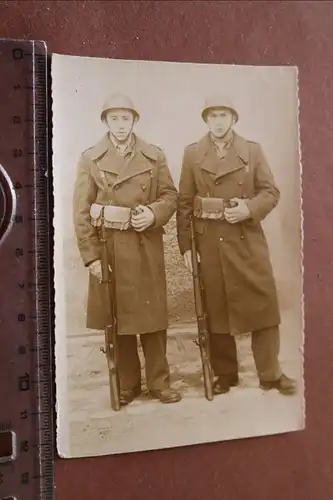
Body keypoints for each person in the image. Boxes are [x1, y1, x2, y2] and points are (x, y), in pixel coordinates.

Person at [176, 93, 296, 396]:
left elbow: (270, 192)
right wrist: (186, 248)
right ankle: (226, 375)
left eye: (223, 115)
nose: (218, 122)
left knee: (263, 304)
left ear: (233, 119)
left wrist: (249, 209)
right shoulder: (192, 154)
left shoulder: (252, 152)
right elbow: (184, 203)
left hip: (247, 240)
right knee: (215, 308)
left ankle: (270, 374)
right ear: (206, 119)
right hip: (209, 242)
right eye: (212, 116)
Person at [73, 92, 181, 405]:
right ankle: (129, 383)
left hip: (145, 243)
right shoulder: (91, 158)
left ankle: (160, 383)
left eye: (126, 118)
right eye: (114, 118)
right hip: (110, 248)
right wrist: (91, 257)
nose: (121, 125)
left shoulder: (153, 155)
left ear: (135, 120)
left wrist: (154, 213)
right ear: (106, 121)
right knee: (117, 318)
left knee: (152, 317)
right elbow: (80, 212)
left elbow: (170, 196)